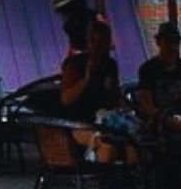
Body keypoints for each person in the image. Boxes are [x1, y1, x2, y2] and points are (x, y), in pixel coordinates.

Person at [58, 19, 135, 162]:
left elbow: (115, 95)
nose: (97, 46)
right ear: (88, 42)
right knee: (107, 146)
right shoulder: (76, 64)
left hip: (105, 119)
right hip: (79, 123)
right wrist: (86, 79)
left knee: (133, 141)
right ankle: (101, 179)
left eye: (102, 41)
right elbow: (66, 99)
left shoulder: (110, 65)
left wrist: (127, 110)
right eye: (94, 40)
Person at [136, 21, 181, 128]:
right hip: (158, 123)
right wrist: (169, 121)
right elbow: (146, 106)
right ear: (158, 43)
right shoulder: (147, 69)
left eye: (175, 42)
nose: (172, 47)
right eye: (167, 42)